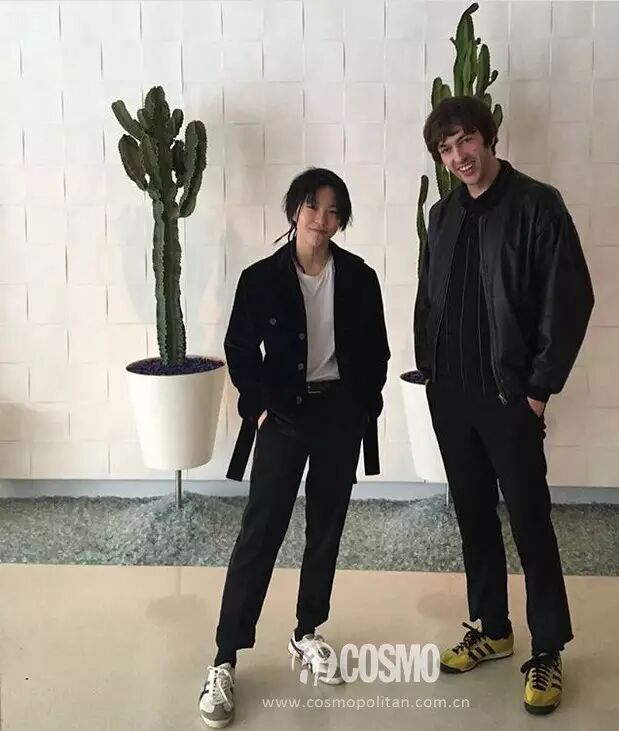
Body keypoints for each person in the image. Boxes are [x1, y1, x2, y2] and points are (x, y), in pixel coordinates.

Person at [414, 96, 594, 715]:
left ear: (488, 137)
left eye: (466, 140)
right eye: (446, 148)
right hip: (452, 397)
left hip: (509, 398)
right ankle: (492, 628)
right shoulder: (442, 215)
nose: (459, 156)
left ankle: (547, 649)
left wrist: (538, 390)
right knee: (472, 517)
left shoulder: (537, 205)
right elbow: (428, 297)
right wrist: (430, 373)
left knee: (530, 522)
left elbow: (569, 299)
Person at [199, 168, 390, 728]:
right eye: (312, 207)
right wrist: (259, 407)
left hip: (339, 418)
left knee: (326, 529)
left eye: (333, 211)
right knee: (260, 533)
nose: (321, 220)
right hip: (282, 419)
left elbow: (376, 350)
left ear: (341, 219)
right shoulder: (261, 278)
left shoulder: (360, 277)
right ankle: (225, 657)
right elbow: (239, 348)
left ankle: (307, 631)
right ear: (294, 211)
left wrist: (363, 407)